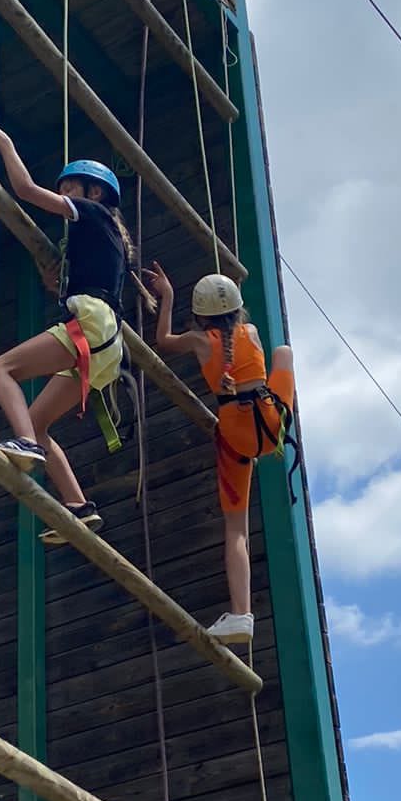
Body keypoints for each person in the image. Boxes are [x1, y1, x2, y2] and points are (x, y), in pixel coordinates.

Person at [0, 124, 135, 536]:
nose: (64, 192)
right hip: (107, 344)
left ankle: (25, 444)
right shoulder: (108, 237)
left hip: (91, 325)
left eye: (71, 187)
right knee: (38, 420)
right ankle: (79, 506)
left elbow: (26, 189)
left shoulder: (93, 212)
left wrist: (4, 142)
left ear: (94, 192)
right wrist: (57, 286)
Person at [146, 263, 296, 645]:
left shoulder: (199, 340)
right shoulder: (252, 332)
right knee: (284, 352)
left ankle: (242, 614)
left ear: (201, 315)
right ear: (238, 309)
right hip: (272, 423)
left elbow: (163, 341)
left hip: (235, 433)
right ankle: (239, 616)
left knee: (236, 530)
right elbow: (255, 349)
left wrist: (167, 295)